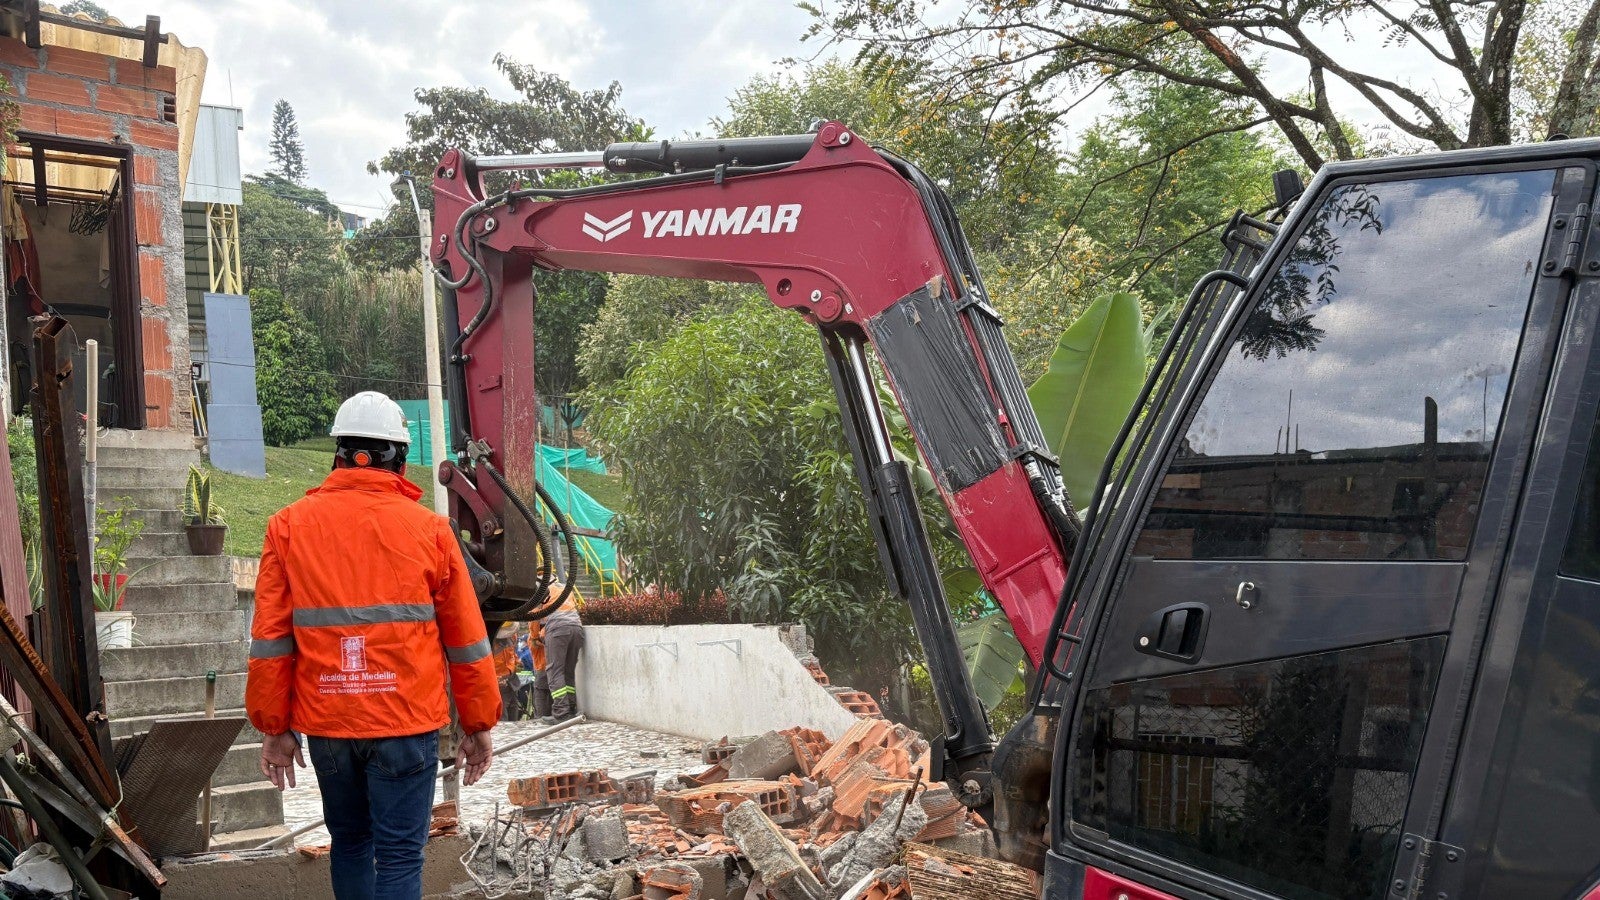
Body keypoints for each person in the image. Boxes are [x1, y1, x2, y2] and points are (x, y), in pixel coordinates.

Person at [245, 391, 501, 900]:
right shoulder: (430, 530)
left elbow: (271, 640)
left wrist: (276, 728)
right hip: (406, 725)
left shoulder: (288, 527)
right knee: (402, 856)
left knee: (351, 844)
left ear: (338, 452)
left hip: (330, 726)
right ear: (400, 458)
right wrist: (478, 724)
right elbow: (467, 642)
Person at [540, 582, 585, 723]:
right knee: (568, 672)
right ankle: (571, 709)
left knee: (555, 671)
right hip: (577, 629)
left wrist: (536, 636)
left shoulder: (542, 590)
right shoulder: (565, 588)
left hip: (558, 630)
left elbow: (535, 615)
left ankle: (561, 713)